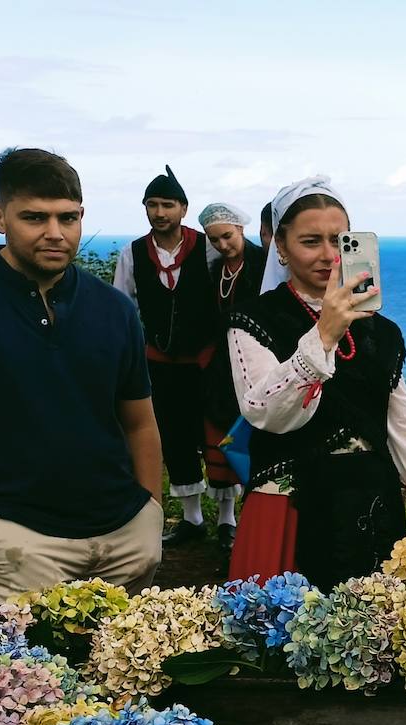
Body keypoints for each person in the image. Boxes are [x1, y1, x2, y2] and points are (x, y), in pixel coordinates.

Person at [0, 148, 163, 603]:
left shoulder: (113, 308)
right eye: (34, 218)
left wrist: (150, 515)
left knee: (126, 673)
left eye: (68, 218)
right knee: (23, 677)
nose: (55, 233)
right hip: (16, 543)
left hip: (124, 537)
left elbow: (138, 420)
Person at [224, 176, 406, 590]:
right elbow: (266, 413)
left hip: (370, 505)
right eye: (310, 241)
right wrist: (323, 337)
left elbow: (402, 429)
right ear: (280, 247)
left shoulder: (381, 333)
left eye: (339, 240)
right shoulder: (254, 320)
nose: (328, 255)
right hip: (290, 511)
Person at [113, 167, 228, 548]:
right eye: (152, 205)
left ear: (183, 208)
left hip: (209, 360)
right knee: (173, 437)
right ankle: (192, 519)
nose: (159, 212)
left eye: (167, 205)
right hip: (159, 361)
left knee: (217, 434)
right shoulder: (132, 253)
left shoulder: (209, 247)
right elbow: (123, 306)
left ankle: (227, 519)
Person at [198, 201, 267, 561]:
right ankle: (227, 521)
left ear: (241, 228)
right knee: (221, 434)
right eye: (215, 239)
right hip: (219, 365)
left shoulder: (262, 264)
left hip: (255, 361)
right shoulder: (212, 270)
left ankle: (254, 519)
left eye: (227, 236)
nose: (223, 245)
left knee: (251, 437)